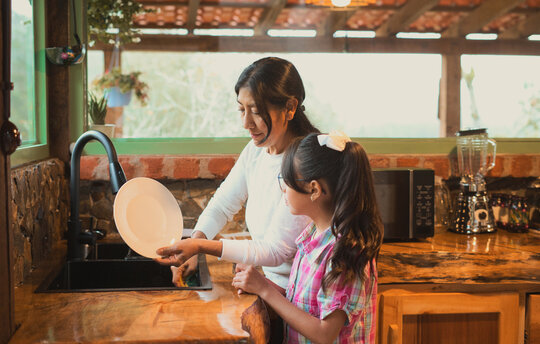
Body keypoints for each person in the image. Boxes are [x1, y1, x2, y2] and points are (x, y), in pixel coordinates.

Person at [155, 57, 319, 293]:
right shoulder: (256, 151)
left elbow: (276, 250)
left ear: (290, 108)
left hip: (299, 295)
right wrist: (197, 242)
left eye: (256, 111)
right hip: (270, 286)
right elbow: (222, 205)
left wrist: (200, 245)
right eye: (242, 109)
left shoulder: (305, 162)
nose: (246, 123)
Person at [232, 131, 384, 344]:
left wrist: (265, 290)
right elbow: (307, 307)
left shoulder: (344, 252)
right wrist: (261, 284)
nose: (283, 188)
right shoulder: (313, 235)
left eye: (286, 180)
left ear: (314, 189)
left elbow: (325, 333)